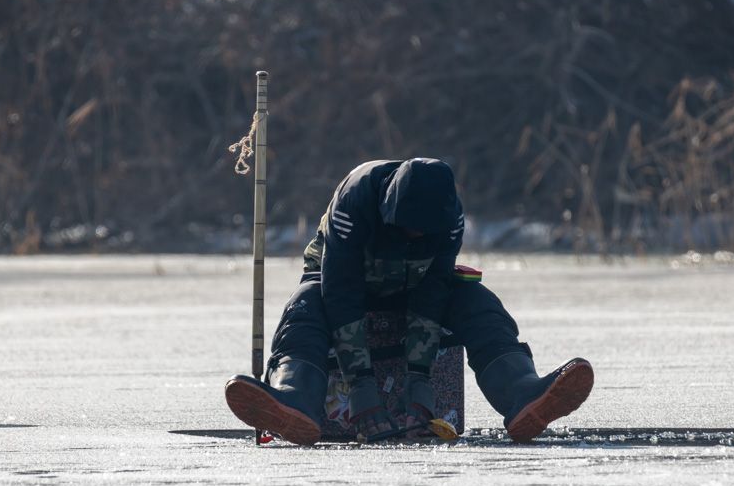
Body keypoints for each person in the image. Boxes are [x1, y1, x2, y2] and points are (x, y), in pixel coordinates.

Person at [225, 157, 593, 445]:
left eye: (423, 232)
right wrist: (362, 387)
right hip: (339, 284)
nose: (415, 235)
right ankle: (296, 397)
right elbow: (341, 292)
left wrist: (419, 380)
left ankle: (520, 391)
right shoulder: (355, 200)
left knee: (477, 301)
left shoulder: (449, 216)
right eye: (407, 228)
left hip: (411, 288)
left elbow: (434, 291)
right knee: (306, 306)